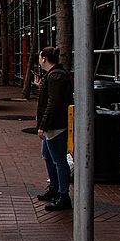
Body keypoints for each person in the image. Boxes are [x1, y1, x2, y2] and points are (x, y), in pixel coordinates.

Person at [35, 46, 75, 211]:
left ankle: (63, 195)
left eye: (39, 57)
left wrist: (42, 126)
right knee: (47, 155)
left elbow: (53, 103)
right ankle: (54, 189)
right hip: (54, 125)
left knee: (58, 160)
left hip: (56, 126)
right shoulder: (53, 75)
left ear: (44, 58)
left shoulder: (56, 76)